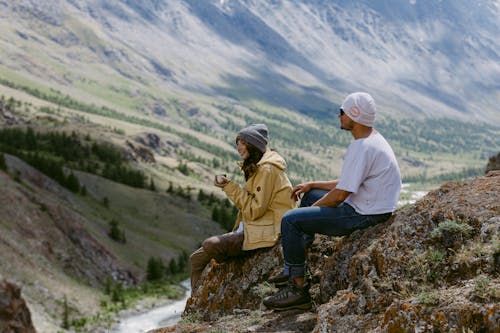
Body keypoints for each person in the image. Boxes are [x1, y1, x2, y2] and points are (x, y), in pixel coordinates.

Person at [263, 92, 402, 311]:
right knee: (310, 194)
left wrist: (310, 212)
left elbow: (340, 195)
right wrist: (313, 185)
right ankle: (296, 265)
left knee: (290, 220)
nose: (339, 116)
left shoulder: (363, 147)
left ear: (354, 115)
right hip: (368, 205)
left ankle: (298, 290)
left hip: (364, 213)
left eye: (342, 112)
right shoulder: (372, 140)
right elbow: (349, 181)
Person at [189, 124, 296, 290]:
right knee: (195, 259)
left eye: (242, 142)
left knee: (210, 244)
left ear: (254, 145)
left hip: (268, 230)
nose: (238, 147)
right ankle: (194, 304)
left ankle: (234, 260)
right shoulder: (259, 166)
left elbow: (254, 210)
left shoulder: (267, 169)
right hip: (256, 225)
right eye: (237, 143)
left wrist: (230, 187)